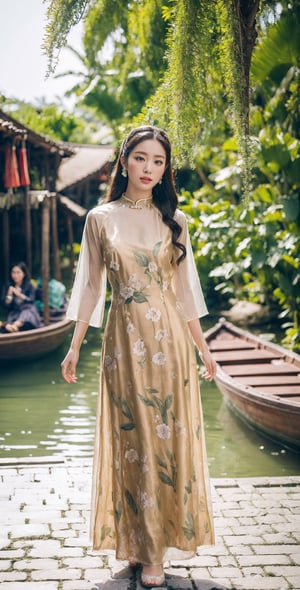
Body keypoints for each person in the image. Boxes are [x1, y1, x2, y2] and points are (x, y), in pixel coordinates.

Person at [61, 126, 217, 588]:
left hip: (169, 342)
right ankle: (136, 541)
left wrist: (204, 350)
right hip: (123, 344)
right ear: (123, 160)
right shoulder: (100, 218)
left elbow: (187, 293)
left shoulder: (176, 220)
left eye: (159, 162)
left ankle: (155, 551)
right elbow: (89, 288)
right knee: (133, 439)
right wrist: (74, 347)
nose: (149, 169)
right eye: (141, 158)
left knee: (164, 441)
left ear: (165, 169)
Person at [0, 262, 41, 333]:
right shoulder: (8, 286)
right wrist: (9, 294)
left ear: (24, 274)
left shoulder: (29, 285)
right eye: (13, 272)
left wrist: (19, 294)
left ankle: (14, 326)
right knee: (12, 320)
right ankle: (13, 327)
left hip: (29, 311)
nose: (15, 275)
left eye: (18, 272)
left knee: (26, 314)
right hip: (15, 312)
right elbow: (6, 305)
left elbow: (31, 300)